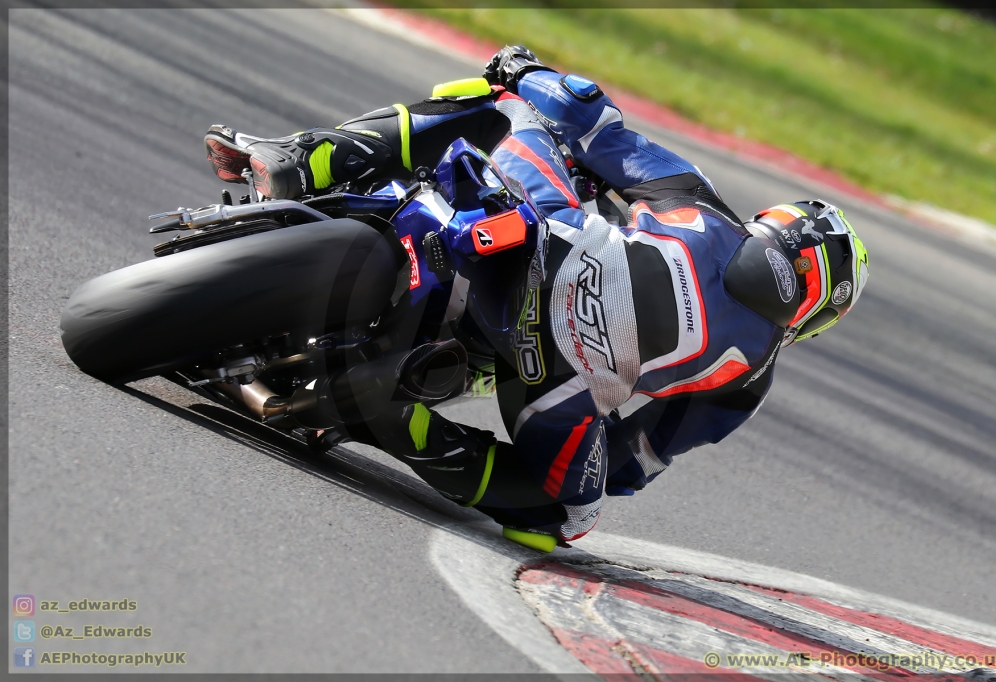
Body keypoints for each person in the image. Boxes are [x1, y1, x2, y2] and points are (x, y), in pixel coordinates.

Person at [205, 47, 869, 551]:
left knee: (496, 102)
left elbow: (588, 115)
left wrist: (521, 70)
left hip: (530, 240)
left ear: (769, 221)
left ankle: (304, 159)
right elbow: (634, 461)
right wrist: (587, 409)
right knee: (564, 520)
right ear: (814, 320)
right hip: (552, 381)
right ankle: (380, 419)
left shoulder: (694, 196)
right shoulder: (747, 381)